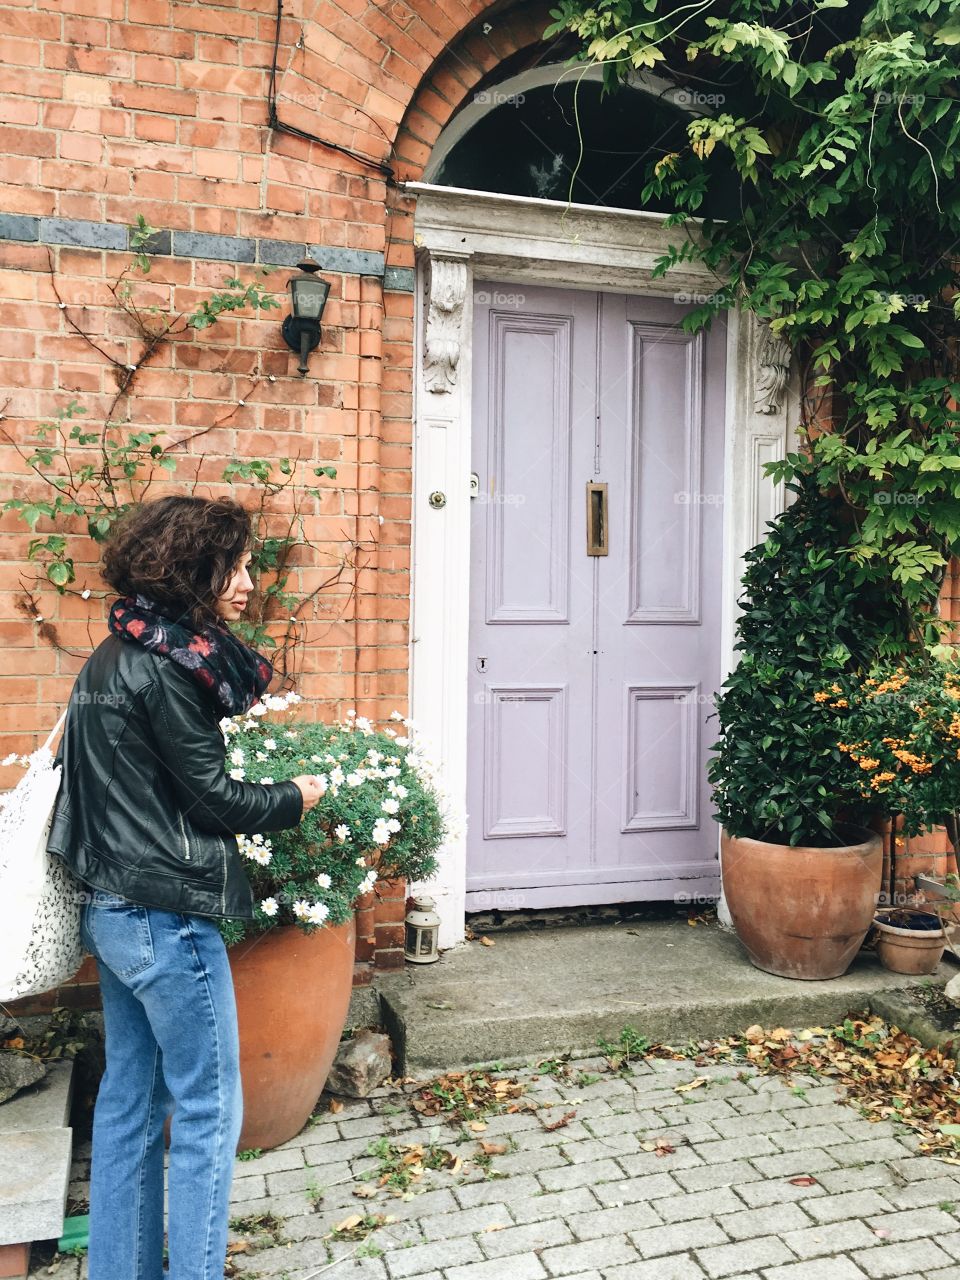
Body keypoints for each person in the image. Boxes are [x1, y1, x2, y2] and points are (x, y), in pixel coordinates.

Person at [47, 495, 325, 1280]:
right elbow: (211, 801)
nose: (247, 583)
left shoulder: (111, 655)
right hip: (165, 916)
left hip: (113, 908)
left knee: (130, 1104)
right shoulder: (170, 670)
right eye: (234, 568)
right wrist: (294, 796)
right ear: (194, 570)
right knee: (208, 1111)